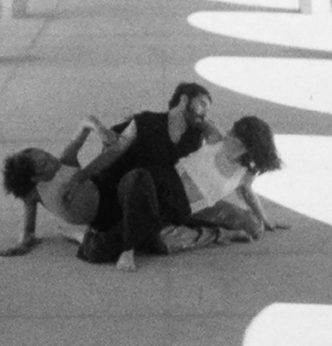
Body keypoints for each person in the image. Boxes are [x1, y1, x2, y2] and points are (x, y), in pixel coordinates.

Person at [78, 82, 247, 271]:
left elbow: (222, 144)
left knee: (100, 250)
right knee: (140, 177)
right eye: (202, 104)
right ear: (184, 100)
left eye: (207, 108)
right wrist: (81, 176)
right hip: (130, 193)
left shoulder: (194, 136)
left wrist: (204, 120)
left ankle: (107, 242)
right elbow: (114, 152)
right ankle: (127, 246)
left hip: (163, 204)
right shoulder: (146, 121)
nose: (205, 112)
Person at [0, 116, 134, 256]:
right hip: (97, 220)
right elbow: (29, 233)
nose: (52, 160)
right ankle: (80, 237)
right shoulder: (34, 194)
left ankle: (86, 236)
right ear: (36, 178)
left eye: (46, 154)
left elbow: (85, 124)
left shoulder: (65, 160)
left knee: (122, 145)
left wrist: (99, 129)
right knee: (101, 248)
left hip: (107, 193)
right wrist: (22, 244)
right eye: (45, 164)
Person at [180, 115, 290, 238]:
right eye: (232, 130)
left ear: (246, 146)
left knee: (255, 226)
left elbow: (246, 190)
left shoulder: (245, 172)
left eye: (233, 134)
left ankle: (215, 233)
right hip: (169, 194)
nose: (227, 133)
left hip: (196, 208)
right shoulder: (215, 138)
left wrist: (263, 218)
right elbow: (194, 116)